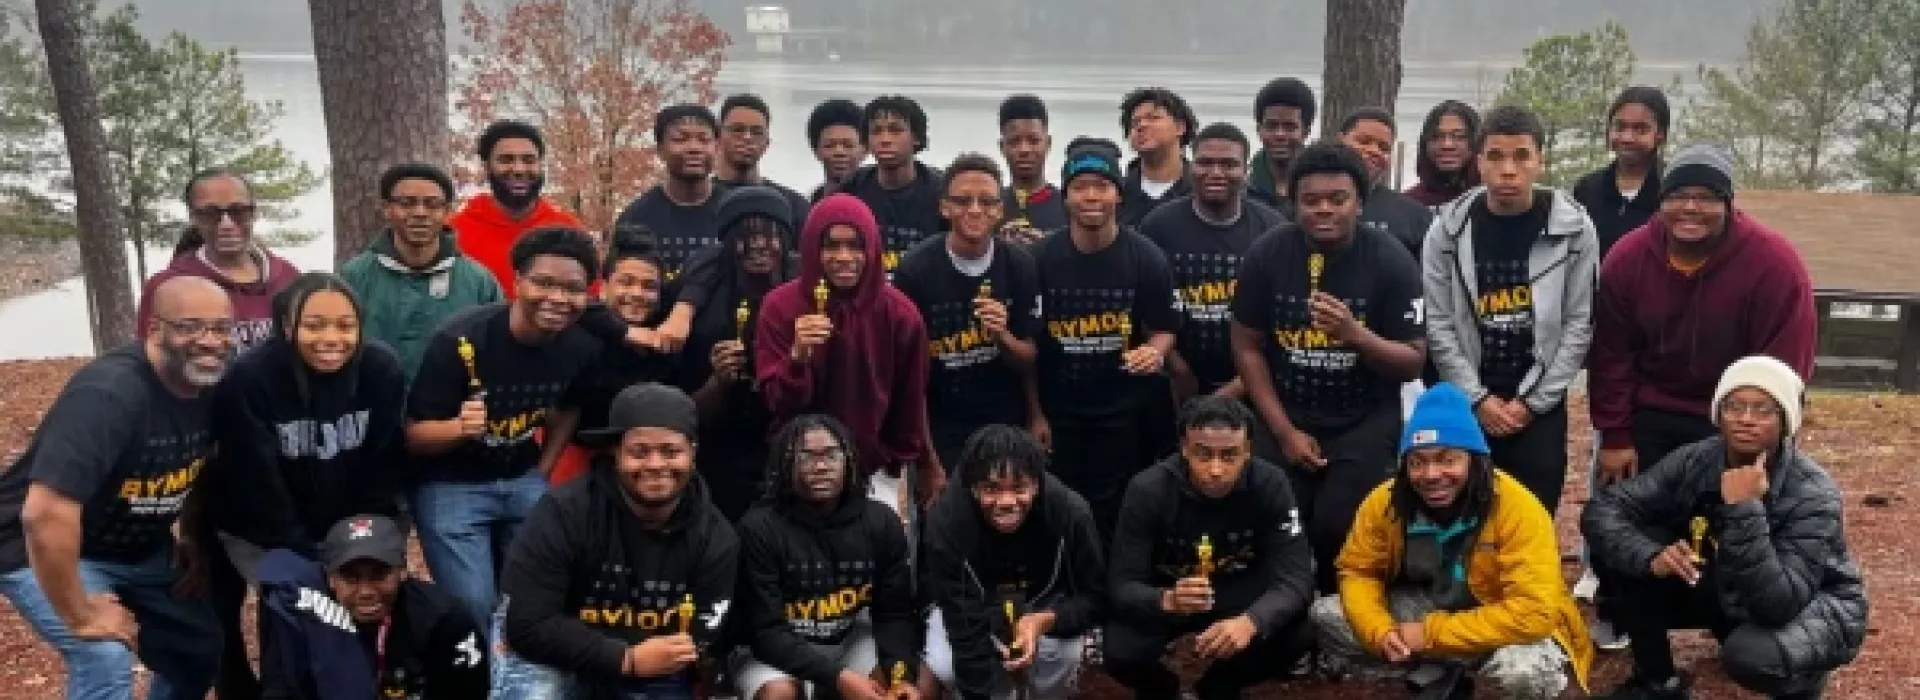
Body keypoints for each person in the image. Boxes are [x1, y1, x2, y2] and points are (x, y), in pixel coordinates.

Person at [0, 276, 232, 700]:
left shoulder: (210, 387)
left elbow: (204, 467)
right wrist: (81, 615)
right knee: (103, 654)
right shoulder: (110, 394)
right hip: (37, 545)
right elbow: (45, 512)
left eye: (220, 328)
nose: (208, 341)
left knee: (197, 647)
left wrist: (193, 538)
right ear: (154, 330)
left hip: (136, 548)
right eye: (189, 326)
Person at [1583, 356, 1867, 700]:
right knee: (1629, 548)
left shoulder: (1812, 492)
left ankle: (1803, 682)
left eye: (1763, 410)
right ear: (1718, 414)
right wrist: (1650, 556)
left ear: (1786, 420)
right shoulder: (1697, 459)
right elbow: (1605, 509)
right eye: (1734, 406)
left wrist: (1743, 507)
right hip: (1733, 587)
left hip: (1814, 605)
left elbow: (1780, 603)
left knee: (1751, 655)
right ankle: (1658, 681)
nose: (1746, 420)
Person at [1230, 141, 1427, 594]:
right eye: (1311, 201)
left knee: (1339, 527)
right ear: (1294, 203)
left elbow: (1412, 360)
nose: (1324, 210)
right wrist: (1282, 432)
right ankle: (1283, 624)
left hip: (1362, 418)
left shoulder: (1390, 259)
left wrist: (1355, 336)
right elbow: (1247, 346)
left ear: (1358, 201)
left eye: (1337, 200)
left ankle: (1340, 620)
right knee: (1278, 526)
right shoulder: (1267, 254)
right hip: (1286, 411)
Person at [1313, 383, 1593, 700]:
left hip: (1500, 618)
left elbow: (1534, 613)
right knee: (1328, 616)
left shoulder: (1518, 507)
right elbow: (1359, 571)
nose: (1431, 474)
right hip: (1432, 606)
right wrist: (1380, 632)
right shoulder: (1385, 503)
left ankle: (1544, 680)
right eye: (1417, 461)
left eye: (1447, 459)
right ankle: (1439, 671)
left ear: (1475, 460)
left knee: (1525, 673)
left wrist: (1430, 636)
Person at [204, 273, 410, 699]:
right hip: (260, 524)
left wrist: (358, 542)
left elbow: (384, 464)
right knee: (296, 595)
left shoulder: (380, 368)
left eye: (344, 325)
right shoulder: (251, 379)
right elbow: (255, 483)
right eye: (314, 325)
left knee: (366, 589)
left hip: (350, 514)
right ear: (287, 325)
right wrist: (314, 555)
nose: (330, 338)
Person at [405, 226, 603, 635]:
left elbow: (568, 409)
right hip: (450, 485)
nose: (557, 298)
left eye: (572, 288)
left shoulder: (581, 345)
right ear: (517, 282)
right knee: (475, 606)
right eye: (543, 283)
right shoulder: (460, 341)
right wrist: (459, 429)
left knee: (537, 599)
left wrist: (544, 469)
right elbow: (414, 436)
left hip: (522, 478)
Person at [494, 383, 739, 700]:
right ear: (614, 454)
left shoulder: (716, 539)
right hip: (554, 657)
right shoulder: (563, 513)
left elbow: (700, 637)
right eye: (639, 451)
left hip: (653, 668)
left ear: (692, 453)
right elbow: (527, 623)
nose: (655, 464)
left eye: (671, 451)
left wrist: (647, 661)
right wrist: (625, 659)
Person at [1421, 105, 1599, 516]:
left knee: (1532, 520)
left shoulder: (1574, 228)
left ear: (1541, 160)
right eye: (1496, 156)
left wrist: (1532, 402)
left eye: (1521, 156)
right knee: (1461, 519)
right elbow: (1439, 324)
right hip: (1467, 399)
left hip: (1538, 403)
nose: (1508, 170)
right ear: (1478, 162)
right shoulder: (1447, 230)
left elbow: (1578, 323)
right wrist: (1478, 399)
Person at [1105, 397, 1315, 700]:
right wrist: (1165, 599)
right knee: (1120, 650)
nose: (1215, 470)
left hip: (1239, 592)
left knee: (1299, 632)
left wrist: (1252, 621)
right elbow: (1121, 585)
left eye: (1229, 456)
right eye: (1203, 454)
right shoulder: (1148, 489)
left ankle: (1220, 686)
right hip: (1172, 591)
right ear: (1184, 449)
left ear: (1247, 452)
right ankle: (1161, 689)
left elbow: (1297, 579)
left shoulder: (1271, 484)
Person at [1031, 137, 1182, 538]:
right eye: (1080, 187)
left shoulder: (1146, 256)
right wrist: (1035, 414)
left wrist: (1154, 350)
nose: (1091, 196)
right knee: (1061, 507)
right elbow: (1029, 347)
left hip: (1124, 410)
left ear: (1118, 194)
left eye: (1102, 186)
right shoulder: (1041, 258)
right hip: (1060, 409)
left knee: (1117, 510)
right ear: (1066, 197)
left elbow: (1166, 327)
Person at [755, 193, 941, 510]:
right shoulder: (780, 307)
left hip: (876, 469)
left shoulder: (900, 314)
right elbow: (776, 403)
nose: (844, 257)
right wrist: (797, 358)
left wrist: (902, 463)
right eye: (831, 245)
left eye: (856, 245)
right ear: (813, 249)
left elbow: (910, 399)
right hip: (798, 467)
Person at [731, 415, 924, 700]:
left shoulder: (880, 521)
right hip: (776, 651)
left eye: (831, 455)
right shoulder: (758, 528)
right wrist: (836, 677)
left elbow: (894, 613)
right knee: (779, 694)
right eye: (806, 457)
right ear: (784, 465)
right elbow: (765, 632)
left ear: (849, 460)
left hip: (848, 639)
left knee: (890, 688)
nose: (821, 467)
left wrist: (900, 674)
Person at [922, 426, 1105, 700]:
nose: (1006, 502)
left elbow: (1096, 598)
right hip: (975, 610)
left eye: (1019, 487)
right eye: (991, 489)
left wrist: (1046, 620)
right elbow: (964, 629)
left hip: (1044, 606)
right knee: (947, 664)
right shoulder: (946, 524)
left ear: (1037, 483)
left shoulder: (1070, 513)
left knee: (1066, 654)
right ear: (972, 487)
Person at [894, 153, 1043, 470]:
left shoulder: (1019, 264)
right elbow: (910, 375)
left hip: (1005, 418)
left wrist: (1002, 336)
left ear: (1000, 211)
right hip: (942, 420)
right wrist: (929, 463)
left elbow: (1029, 358)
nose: (975, 210)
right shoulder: (916, 270)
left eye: (987, 201)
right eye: (963, 201)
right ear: (944, 207)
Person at [255, 515, 488, 700]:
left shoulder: (444, 621)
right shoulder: (300, 612)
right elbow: (279, 690)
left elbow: (468, 692)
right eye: (351, 578)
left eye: (379, 575)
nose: (366, 591)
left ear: (402, 571)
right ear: (330, 579)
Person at [1141, 122, 1289, 411]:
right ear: (1189, 166)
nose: (1216, 173)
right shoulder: (1158, 226)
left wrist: (1235, 388)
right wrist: (1177, 368)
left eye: (1229, 164)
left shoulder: (1273, 230)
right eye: (1205, 162)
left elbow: (1284, 321)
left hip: (1253, 383)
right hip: (1174, 378)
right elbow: (1145, 308)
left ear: (1246, 171)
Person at [670, 186, 796, 521]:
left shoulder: (805, 291)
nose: (757, 245)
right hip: (719, 451)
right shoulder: (704, 302)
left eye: (769, 235)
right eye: (746, 235)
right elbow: (684, 413)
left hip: (786, 443)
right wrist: (718, 382)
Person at [343, 163, 504, 381]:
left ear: (447, 211)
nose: (420, 213)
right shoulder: (353, 277)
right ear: (386, 209)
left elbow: (499, 352)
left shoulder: (479, 282)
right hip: (374, 408)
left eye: (432, 204)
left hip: (452, 412)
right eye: (407, 203)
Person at [135, 168, 301, 354]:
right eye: (210, 214)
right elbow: (146, 362)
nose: (226, 224)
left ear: (254, 212)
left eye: (238, 211)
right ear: (194, 218)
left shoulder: (289, 277)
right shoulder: (168, 287)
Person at [555, 235, 677, 486]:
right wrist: (624, 332)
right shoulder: (577, 332)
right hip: (576, 456)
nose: (637, 294)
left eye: (649, 286)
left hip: (645, 463)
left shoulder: (666, 337)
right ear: (603, 286)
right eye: (626, 282)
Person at [451, 120, 586, 296]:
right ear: (486, 167)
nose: (519, 169)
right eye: (506, 160)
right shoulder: (455, 233)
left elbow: (589, 299)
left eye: (529, 160)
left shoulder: (569, 231)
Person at [612, 104, 729, 278]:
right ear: (659, 150)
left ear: (717, 147)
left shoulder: (733, 210)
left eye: (704, 140)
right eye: (680, 139)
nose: (694, 148)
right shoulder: (636, 218)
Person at [839, 94, 945, 274]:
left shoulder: (941, 190)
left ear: (916, 138)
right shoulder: (852, 188)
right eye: (876, 131)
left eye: (895, 130)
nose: (885, 139)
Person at [1573, 87, 1672, 260]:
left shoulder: (1673, 190)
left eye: (1640, 129)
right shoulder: (1588, 188)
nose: (1627, 138)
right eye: (1620, 127)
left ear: (1660, 134)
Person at [1338, 107, 1434, 258]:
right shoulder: (1308, 203)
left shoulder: (1416, 217)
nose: (1374, 151)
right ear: (1341, 140)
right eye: (1364, 141)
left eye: (1384, 148)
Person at [716, 92, 814, 229]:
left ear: (767, 143)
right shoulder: (698, 199)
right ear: (718, 138)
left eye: (757, 132)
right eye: (737, 130)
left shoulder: (792, 205)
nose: (747, 138)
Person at [1117, 87, 1196, 227]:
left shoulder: (1200, 192)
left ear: (1180, 127)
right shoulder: (1117, 195)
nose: (1141, 126)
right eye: (1135, 122)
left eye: (1153, 118)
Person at [996, 94, 1068, 244]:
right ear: (1002, 147)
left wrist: (1045, 246)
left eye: (1034, 141)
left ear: (1048, 143)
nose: (1024, 150)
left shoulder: (1069, 207)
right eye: (1014, 141)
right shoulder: (989, 208)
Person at [1247, 77, 1317, 208]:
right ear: (1259, 130)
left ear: (1305, 132)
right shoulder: (1243, 187)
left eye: (1289, 127)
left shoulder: (1322, 186)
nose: (1280, 135)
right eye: (1271, 126)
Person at [1405, 101, 1482, 208]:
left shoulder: (1493, 201)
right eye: (1437, 136)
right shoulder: (1408, 204)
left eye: (1459, 136)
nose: (1447, 145)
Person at [807, 99, 868, 202]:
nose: (839, 152)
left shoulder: (879, 204)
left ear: (865, 150)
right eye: (829, 145)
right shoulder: (806, 205)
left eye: (848, 145)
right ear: (816, 150)